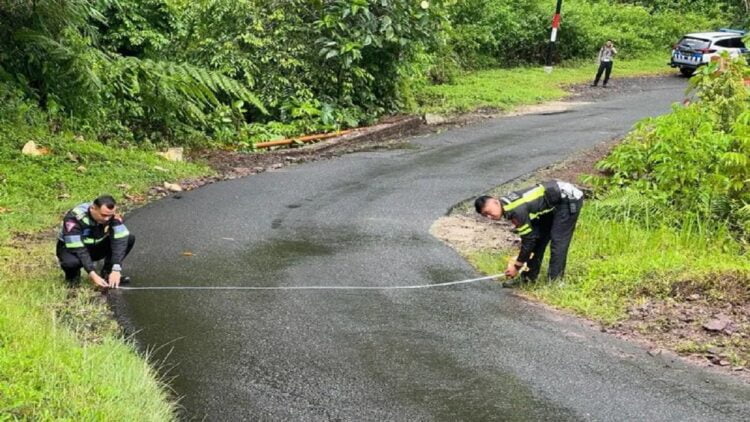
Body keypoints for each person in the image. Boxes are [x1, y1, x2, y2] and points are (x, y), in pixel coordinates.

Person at [475, 180, 583, 287]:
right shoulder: (505, 204)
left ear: (495, 201)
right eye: (485, 215)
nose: (489, 217)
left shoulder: (515, 211)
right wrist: (518, 263)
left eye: (489, 212)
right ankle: (528, 279)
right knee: (539, 237)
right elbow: (532, 238)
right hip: (553, 201)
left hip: (568, 198)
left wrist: (516, 266)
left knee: (558, 241)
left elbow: (528, 240)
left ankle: (555, 283)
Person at [56, 195, 135, 288]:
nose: (107, 219)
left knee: (128, 238)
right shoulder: (74, 217)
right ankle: (73, 280)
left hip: (94, 247)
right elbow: (78, 248)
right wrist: (92, 274)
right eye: (104, 215)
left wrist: (116, 269)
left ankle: (108, 273)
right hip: (71, 248)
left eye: (110, 215)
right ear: (93, 208)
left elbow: (120, 239)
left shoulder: (111, 215)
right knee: (71, 263)